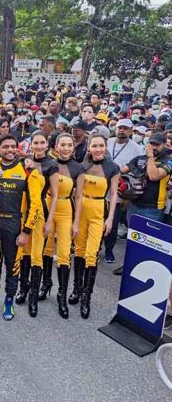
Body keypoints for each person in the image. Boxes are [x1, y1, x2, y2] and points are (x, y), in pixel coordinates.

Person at [0, 135, 41, 321]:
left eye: (12, 146)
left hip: (14, 223)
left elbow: (35, 204)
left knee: (12, 264)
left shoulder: (27, 170)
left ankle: (9, 300)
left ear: (17, 149)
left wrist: (26, 231)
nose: (9, 150)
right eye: (5, 146)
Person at [72, 134, 119, 319]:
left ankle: (86, 297)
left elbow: (114, 194)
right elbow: (75, 191)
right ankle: (76, 288)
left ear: (105, 147)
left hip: (99, 212)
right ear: (89, 147)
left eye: (101, 145)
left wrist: (110, 218)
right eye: (94, 146)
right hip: (81, 210)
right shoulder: (82, 166)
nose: (98, 149)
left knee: (92, 254)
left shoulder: (112, 167)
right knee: (79, 251)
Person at [15, 131, 59, 317]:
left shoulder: (52, 165)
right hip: (23, 210)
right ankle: (23, 289)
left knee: (36, 255)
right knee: (24, 252)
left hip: (40, 211)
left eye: (42, 142)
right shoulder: (23, 161)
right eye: (36, 143)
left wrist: (49, 221)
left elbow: (54, 195)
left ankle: (33, 296)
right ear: (31, 144)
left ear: (47, 144)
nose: (39, 146)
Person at [43, 134, 84, 319]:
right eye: (63, 145)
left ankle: (62, 295)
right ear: (56, 146)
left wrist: (76, 221)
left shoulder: (78, 168)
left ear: (73, 148)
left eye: (69, 145)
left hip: (66, 209)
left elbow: (79, 197)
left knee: (64, 254)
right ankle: (46, 284)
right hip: (48, 207)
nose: (66, 148)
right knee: (46, 249)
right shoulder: (49, 164)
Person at [103, 119, 143, 262]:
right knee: (98, 220)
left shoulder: (136, 149)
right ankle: (95, 249)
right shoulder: (107, 142)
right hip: (101, 187)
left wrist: (127, 197)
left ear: (131, 131)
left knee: (113, 223)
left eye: (125, 128)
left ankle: (109, 250)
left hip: (120, 190)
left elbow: (136, 173)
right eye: (120, 128)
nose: (121, 130)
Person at [121, 131, 172, 223]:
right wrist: (124, 192)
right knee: (131, 231)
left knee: (148, 233)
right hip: (133, 204)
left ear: (164, 145)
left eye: (157, 145)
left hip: (153, 208)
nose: (154, 147)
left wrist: (150, 156)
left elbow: (153, 176)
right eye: (152, 144)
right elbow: (120, 172)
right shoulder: (140, 158)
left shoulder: (168, 161)